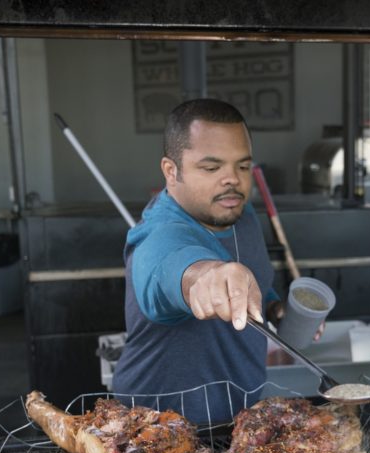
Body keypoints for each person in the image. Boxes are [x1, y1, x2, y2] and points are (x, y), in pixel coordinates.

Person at [112, 98, 283, 425]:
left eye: (243, 166)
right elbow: (171, 268)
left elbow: (259, 286)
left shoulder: (240, 215)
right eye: (211, 167)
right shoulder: (158, 235)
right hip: (157, 431)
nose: (232, 179)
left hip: (240, 421)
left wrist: (276, 308)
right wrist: (208, 276)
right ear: (171, 170)